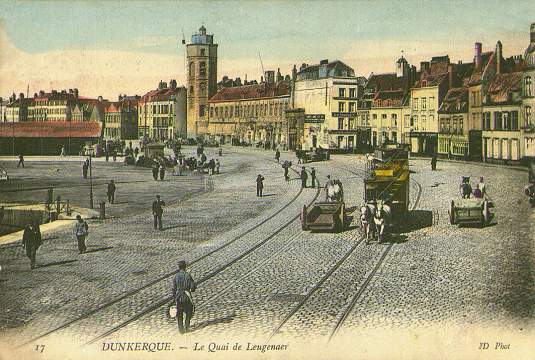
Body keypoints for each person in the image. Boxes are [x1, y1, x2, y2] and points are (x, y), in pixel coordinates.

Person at [172, 260, 197, 334]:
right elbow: (193, 288)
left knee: (179, 314)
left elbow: (174, 288)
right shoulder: (188, 275)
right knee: (189, 312)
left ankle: (181, 330)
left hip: (179, 297)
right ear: (185, 267)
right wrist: (192, 288)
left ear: (179, 267)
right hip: (186, 297)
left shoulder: (176, 276)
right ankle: (186, 327)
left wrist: (174, 298)